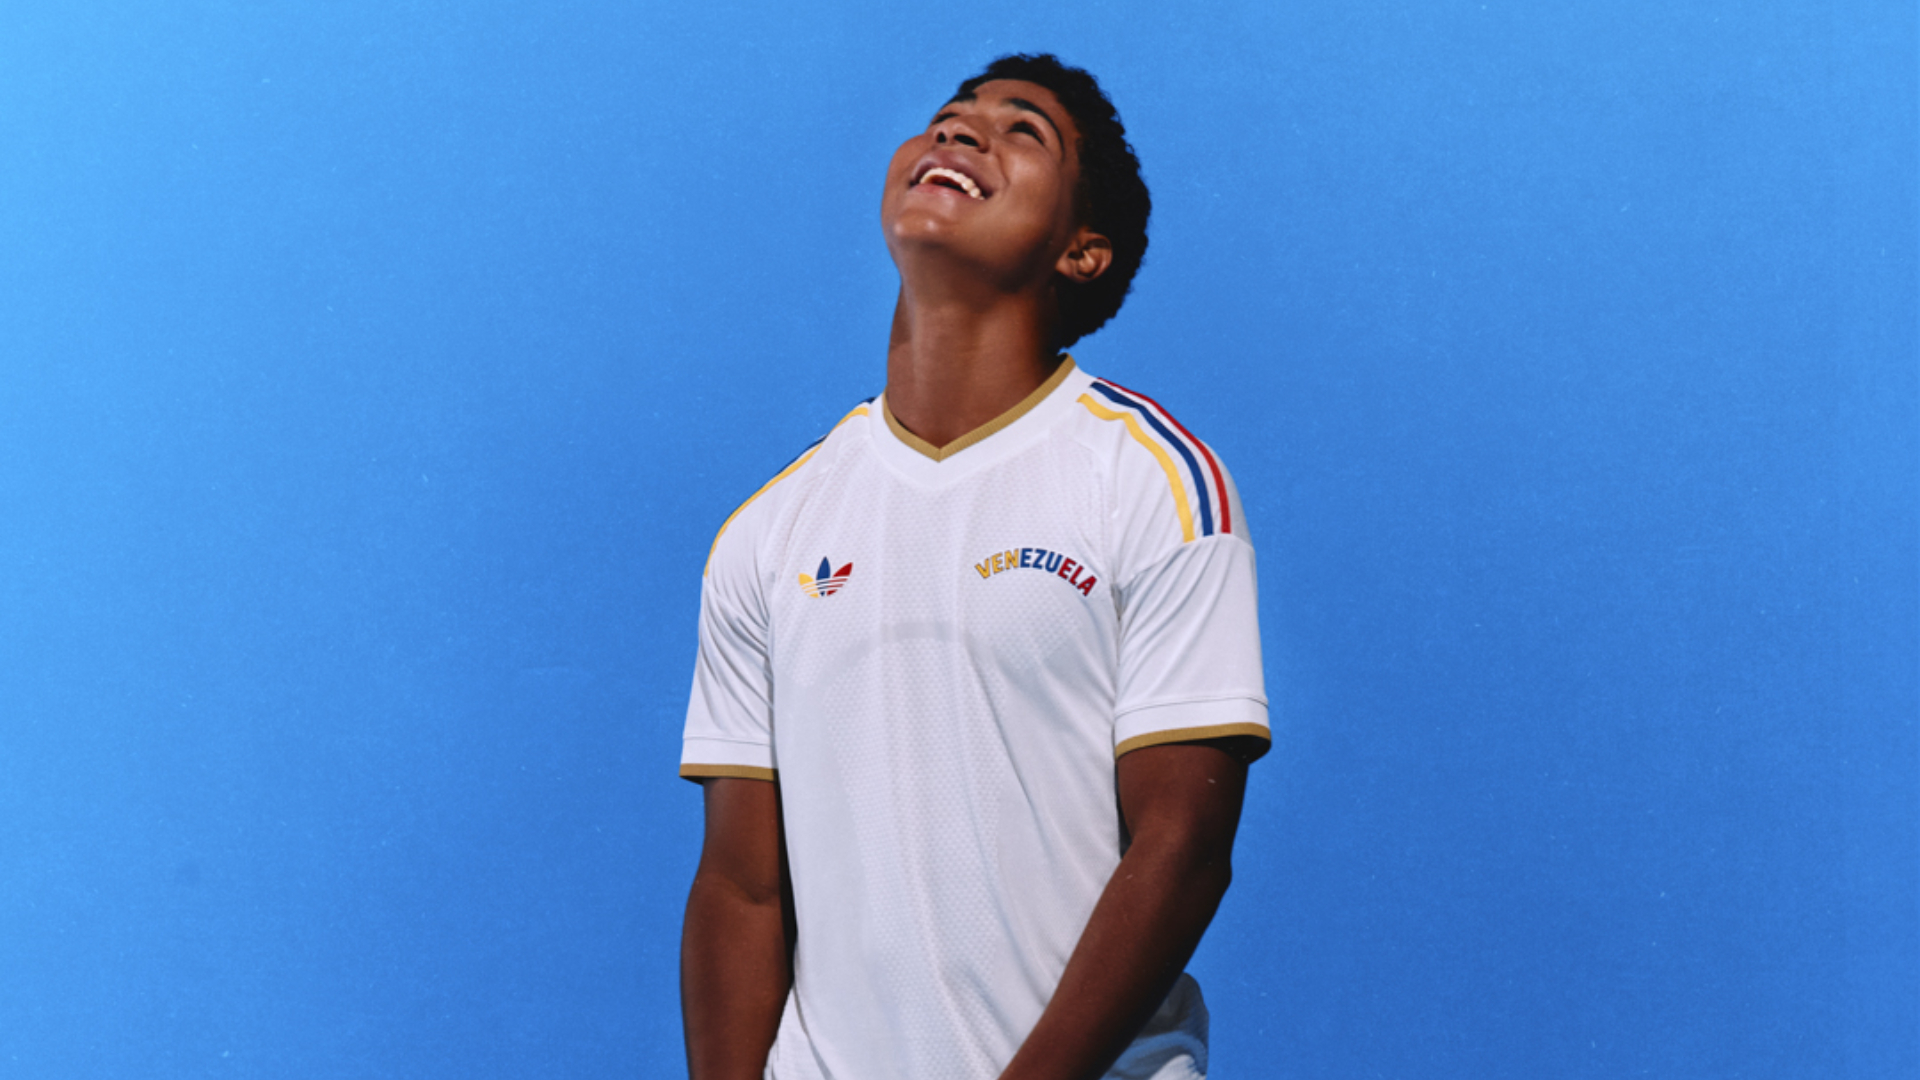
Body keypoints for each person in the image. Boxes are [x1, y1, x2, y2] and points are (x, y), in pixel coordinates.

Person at [678, 53, 1269, 1080]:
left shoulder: (1155, 481)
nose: (958, 131)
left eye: (1022, 129)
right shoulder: (768, 530)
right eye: (949, 116)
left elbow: (1180, 847)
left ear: (1083, 250)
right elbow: (742, 886)